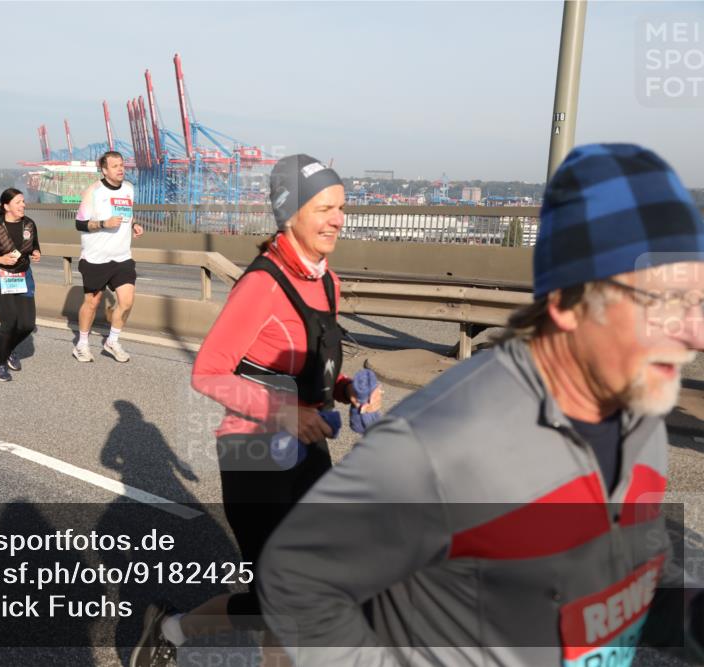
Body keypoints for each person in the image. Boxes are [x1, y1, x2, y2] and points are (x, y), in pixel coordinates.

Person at [258, 144, 704, 665]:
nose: (694, 333)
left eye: (698, 300)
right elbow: (296, 579)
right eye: (665, 302)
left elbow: (634, 570)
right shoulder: (442, 443)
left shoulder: (641, 412)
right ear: (567, 304)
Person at [130, 155, 381, 666]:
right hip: (255, 454)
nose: (338, 219)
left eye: (341, 208)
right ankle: (175, 631)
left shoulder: (325, 280)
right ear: (291, 214)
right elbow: (208, 372)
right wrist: (283, 414)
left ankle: (173, 630)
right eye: (325, 208)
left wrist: (349, 389)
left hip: (308, 450)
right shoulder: (262, 284)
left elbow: (308, 370)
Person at [72, 151, 143, 363]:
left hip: (122, 257)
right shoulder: (93, 191)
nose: (121, 169)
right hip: (96, 258)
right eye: (115, 166)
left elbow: (127, 215)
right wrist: (104, 223)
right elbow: (79, 223)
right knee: (92, 303)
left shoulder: (129, 189)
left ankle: (112, 341)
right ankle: (82, 344)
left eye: (122, 165)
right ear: (104, 170)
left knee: (127, 301)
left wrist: (134, 224)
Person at [0, 188, 41, 381]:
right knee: (10, 322)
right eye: (18, 202)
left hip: (22, 276)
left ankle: (9, 349)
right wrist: (0, 259)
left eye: (23, 201)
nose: (23, 205)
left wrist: (36, 252)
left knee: (27, 325)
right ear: (6, 206)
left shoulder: (29, 224)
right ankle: (0, 365)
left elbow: (33, 245)